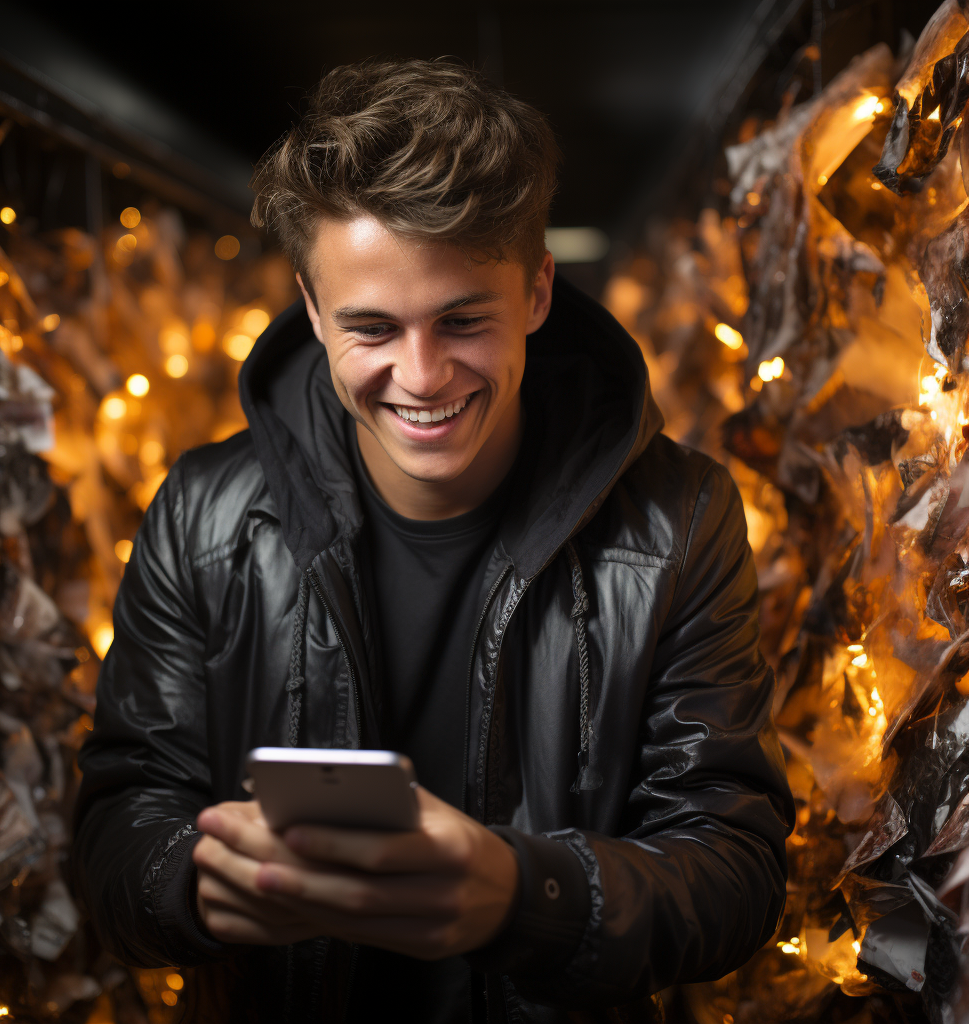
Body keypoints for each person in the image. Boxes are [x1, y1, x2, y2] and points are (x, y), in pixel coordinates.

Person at [71, 58, 794, 1023]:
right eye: (371, 327)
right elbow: (117, 819)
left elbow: (735, 867)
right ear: (312, 306)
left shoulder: (682, 517)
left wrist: (522, 895)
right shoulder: (202, 516)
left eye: (463, 319)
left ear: (537, 290)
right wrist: (194, 884)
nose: (421, 376)